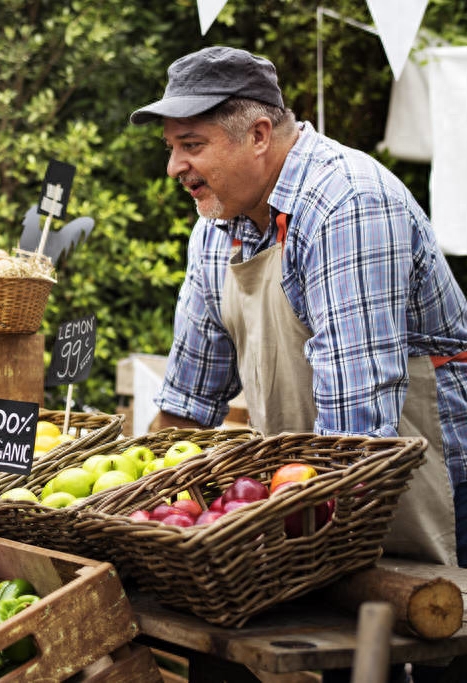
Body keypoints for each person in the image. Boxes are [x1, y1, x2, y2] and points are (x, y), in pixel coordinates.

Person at [131, 46, 467, 568]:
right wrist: (139, 501)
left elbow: (358, 429)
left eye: (191, 145)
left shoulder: (347, 203)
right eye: (172, 147)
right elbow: (188, 404)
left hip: (426, 495)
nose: (174, 166)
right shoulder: (218, 228)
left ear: (259, 135)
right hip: (314, 497)